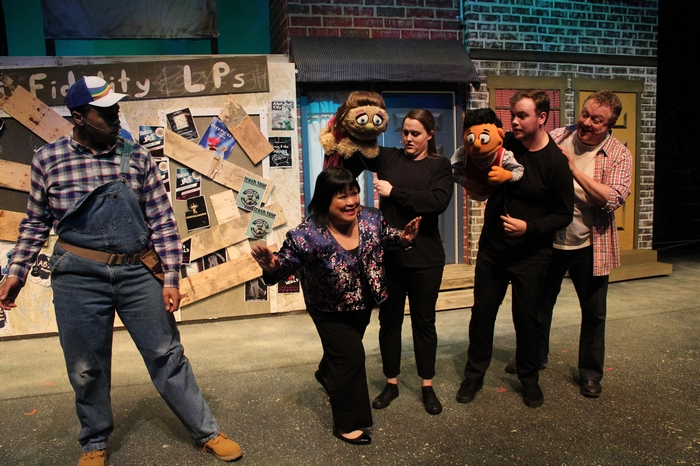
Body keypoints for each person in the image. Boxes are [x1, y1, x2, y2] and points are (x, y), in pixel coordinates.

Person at [0, 77, 241, 466]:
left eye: (115, 109)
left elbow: (163, 221)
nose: (115, 116)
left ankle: (206, 431)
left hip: (136, 272)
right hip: (77, 276)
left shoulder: (137, 157)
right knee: (86, 367)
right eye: (104, 112)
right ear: (78, 116)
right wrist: (17, 271)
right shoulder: (49, 159)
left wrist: (171, 277)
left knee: (166, 353)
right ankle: (94, 442)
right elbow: (35, 223)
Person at [251, 167, 420, 445]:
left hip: (363, 302)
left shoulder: (371, 218)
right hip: (327, 308)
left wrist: (403, 239)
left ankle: (326, 372)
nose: (351, 201)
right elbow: (285, 263)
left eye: (354, 193)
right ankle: (347, 424)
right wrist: (272, 266)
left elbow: (386, 235)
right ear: (325, 199)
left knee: (342, 353)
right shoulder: (306, 234)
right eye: (342, 196)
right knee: (351, 358)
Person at [504, 90, 632, 398]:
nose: (587, 123)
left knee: (594, 312)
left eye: (597, 120)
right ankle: (533, 357)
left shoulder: (618, 154)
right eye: (585, 114)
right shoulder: (560, 136)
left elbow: (613, 198)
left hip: (589, 244)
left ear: (610, 124)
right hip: (549, 240)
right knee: (538, 306)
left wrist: (572, 170)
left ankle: (590, 373)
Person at [455, 90, 574, 408]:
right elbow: (472, 154)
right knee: (482, 314)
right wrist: (469, 182)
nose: (514, 122)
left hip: (531, 255)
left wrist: (528, 227)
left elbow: (564, 214)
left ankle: (529, 379)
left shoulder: (555, 162)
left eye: (522, 115)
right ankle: (474, 375)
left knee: (527, 319)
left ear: (542, 117)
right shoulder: (506, 142)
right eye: (512, 115)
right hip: (493, 249)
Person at [346, 107, 453, 415]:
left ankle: (427, 385)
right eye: (405, 132)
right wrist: (351, 125)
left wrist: (394, 192)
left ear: (429, 135)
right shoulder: (389, 158)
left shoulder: (439, 165)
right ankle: (391, 382)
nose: (408, 138)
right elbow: (353, 157)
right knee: (389, 321)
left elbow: (437, 202)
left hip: (426, 258)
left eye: (415, 133)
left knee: (424, 322)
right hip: (390, 257)